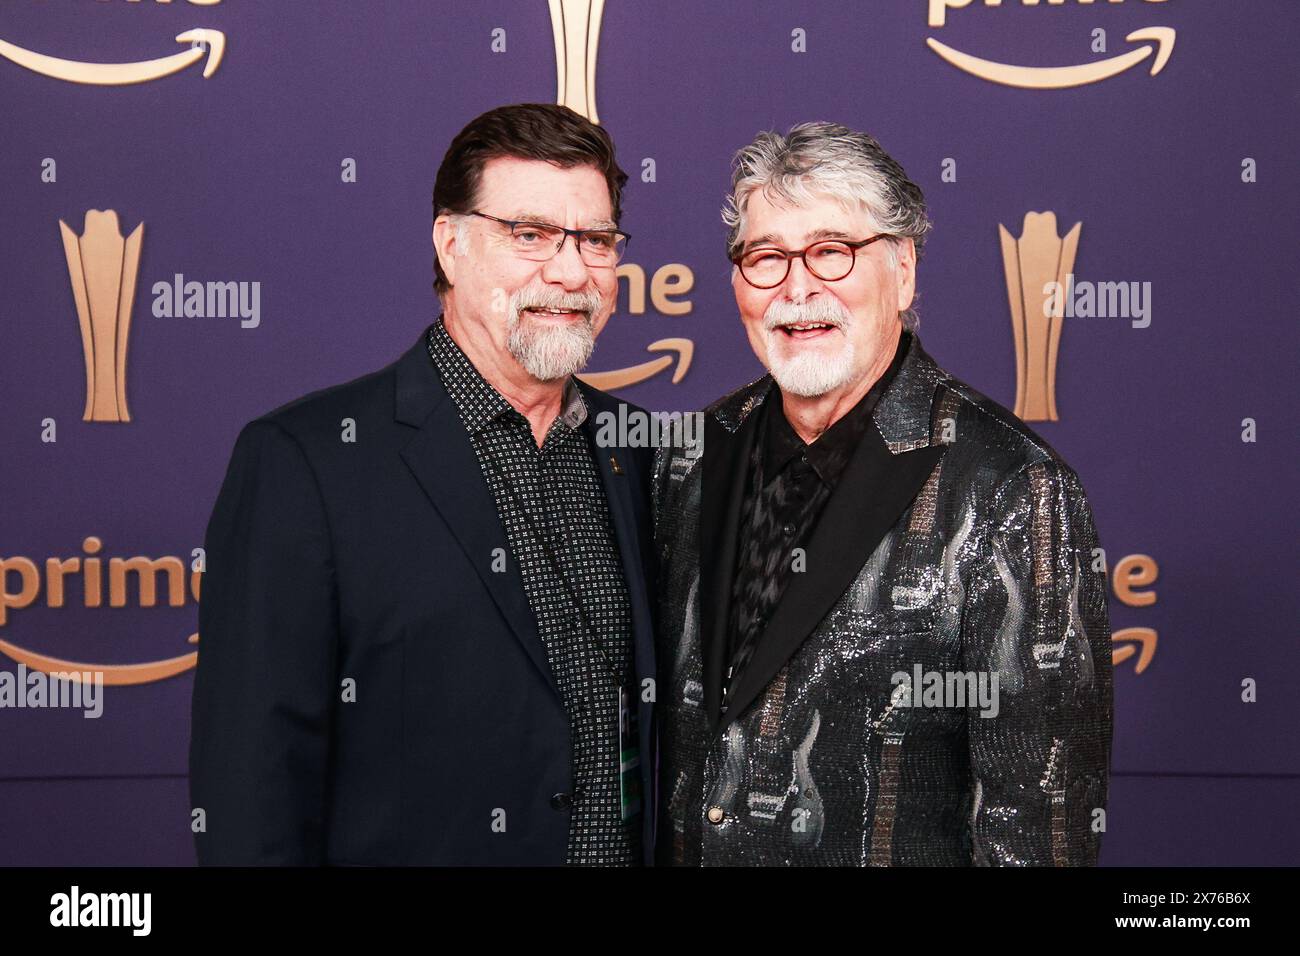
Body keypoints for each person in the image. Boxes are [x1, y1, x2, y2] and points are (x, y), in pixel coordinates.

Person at [190, 103, 656, 866]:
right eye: (529, 235)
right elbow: (250, 787)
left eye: (595, 241)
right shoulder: (303, 463)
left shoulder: (640, 452)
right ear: (451, 243)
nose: (570, 271)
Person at [653, 122, 1112, 866]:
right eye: (766, 257)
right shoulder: (688, 459)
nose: (798, 289)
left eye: (832, 252)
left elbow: (1039, 826)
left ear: (902, 270)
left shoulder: (1015, 488)